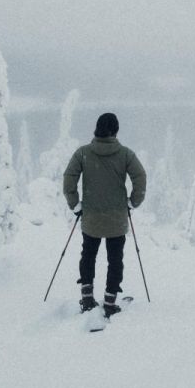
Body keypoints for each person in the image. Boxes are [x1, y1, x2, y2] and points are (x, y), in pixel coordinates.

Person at [64, 112, 147, 317]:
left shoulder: (83, 153)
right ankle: (110, 302)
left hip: (91, 218)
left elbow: (69, 180)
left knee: (88, 256)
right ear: (116, 130)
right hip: (116, 219)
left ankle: (86, 298)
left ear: (96, 129)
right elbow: (140, 177)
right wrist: (132, 202)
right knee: (115, 259)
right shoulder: (126, 154)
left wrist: (76, 205)